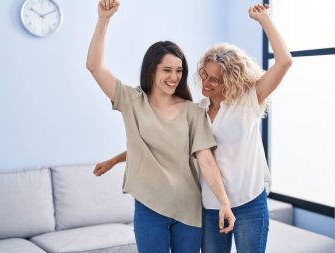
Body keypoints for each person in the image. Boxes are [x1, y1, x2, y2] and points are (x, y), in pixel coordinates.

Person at [95, 3, 292, 253]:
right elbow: (165, 145)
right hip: (210, 205)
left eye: (214, 79)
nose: (205, 83)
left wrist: (265, 21)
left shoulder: (248, 102)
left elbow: (284, 62)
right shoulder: (196, 110)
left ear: (230, 80)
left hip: (249, 201)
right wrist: (114, 160)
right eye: (203, 73)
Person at [86, 1, 235, 253]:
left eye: (179, 70)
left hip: (188, 210)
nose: (174, 77)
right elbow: (94, 66)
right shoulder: (132, 100)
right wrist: (103, 20)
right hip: (149, 209)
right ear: (152, 70)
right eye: (167, 69)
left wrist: (224, 202)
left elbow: (206, 161)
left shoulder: (192, 112)